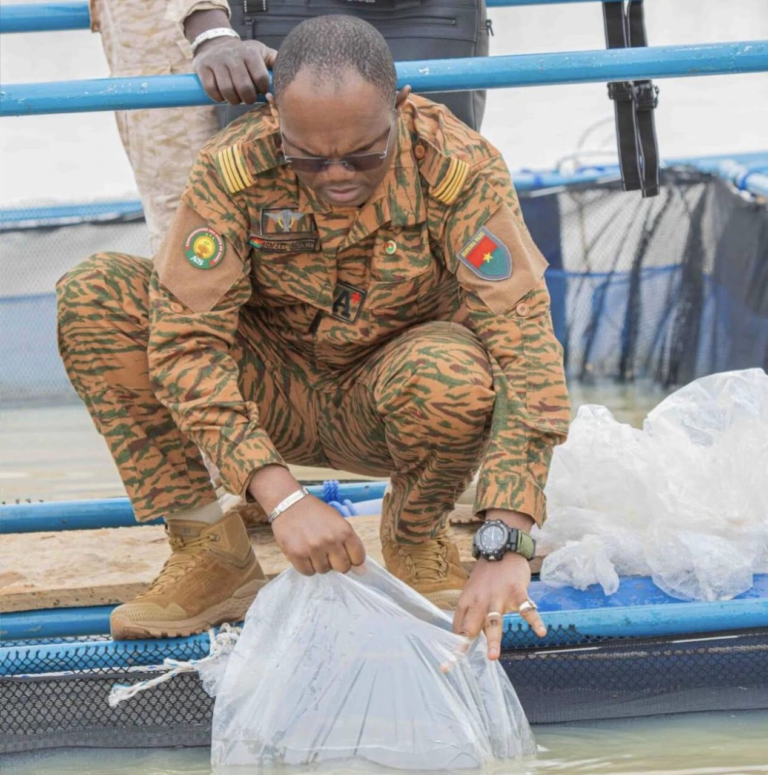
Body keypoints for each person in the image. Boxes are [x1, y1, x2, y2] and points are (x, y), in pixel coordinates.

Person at [57, 15, 569, 660]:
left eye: (363, 155)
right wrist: (282, 497)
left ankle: (415, 537)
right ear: (275, 118)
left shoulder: (456, 167)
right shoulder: (233, 167)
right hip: (269, 393)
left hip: (392, 399)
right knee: (96, 292)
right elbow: (189, 344)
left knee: (454, 370)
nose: (336, 177)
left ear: (399, 108)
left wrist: (507, 538)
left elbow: (526, 347)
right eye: (309, 158)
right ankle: (210, 552)